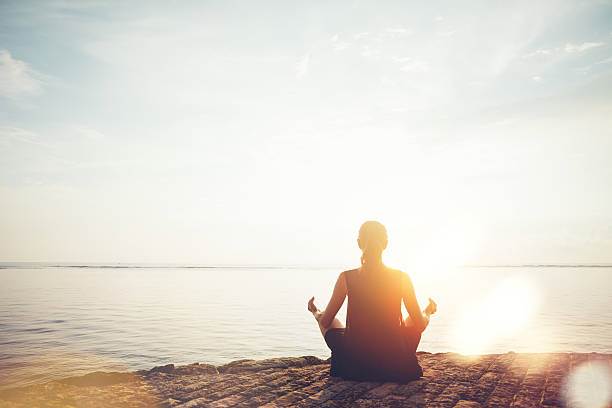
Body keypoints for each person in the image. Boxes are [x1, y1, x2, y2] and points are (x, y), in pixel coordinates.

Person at [307, 220, 437, 382]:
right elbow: (420, 324)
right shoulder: (402, 278)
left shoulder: (346, 278)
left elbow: (326, 322)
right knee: (413, 319)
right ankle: (425, 312)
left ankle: (319, 315)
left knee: (328, 316)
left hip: (354, 364)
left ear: (359, 243)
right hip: (395, 362)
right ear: (386, 244)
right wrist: (428, 312)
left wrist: (315, 312)